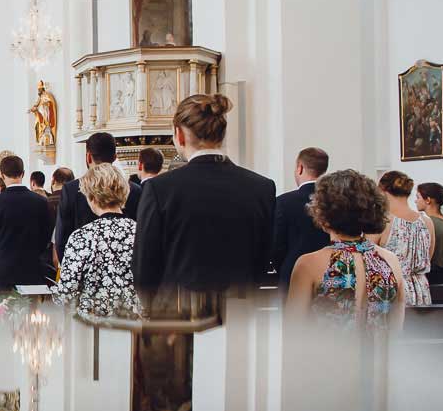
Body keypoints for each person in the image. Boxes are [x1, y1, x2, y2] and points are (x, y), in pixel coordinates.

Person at [132, 95, 275, 294]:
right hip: (239, 314)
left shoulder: (160, 189)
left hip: (179, 316)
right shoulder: (262, 187)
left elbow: (144, 270)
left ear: (179, 135)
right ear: (221, 134)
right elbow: (262, 261)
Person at [287, 170, 404, 328]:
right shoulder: (391, 261)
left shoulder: (308, 264)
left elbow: (293, 331)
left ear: (324, 214)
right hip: (377, 353)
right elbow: (395, 330)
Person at [54, 164, 141, 317]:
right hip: (134, 322)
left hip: (94, 325)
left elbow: (66, 294)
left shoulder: (82, 237)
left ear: (92, 197)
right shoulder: (141, 233)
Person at [55, 132, 143, 262]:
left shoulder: (72, 190)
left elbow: (62, 238)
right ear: (115, 157)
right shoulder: (134, 189)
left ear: (89, 157)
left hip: (82, 265)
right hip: (127, 268)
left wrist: (71, 267)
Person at [0, 154, 56, 288]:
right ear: (23, 173)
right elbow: (46, 235)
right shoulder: (41, 202)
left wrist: (0, 254)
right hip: (31, 267)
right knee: (31, 308)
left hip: (3, 269)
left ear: (2, 176)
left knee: (1, 308)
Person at [272, 147, 331, 288]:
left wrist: (284, 268)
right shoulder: (334, 201)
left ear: (300, 168)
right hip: (330, 273)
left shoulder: (283, 202)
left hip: (293, 274)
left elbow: (276, 245)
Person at [376, 170, 434, 306]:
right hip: (421, 289)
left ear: (382, 191)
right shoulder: (427, 221)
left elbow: (367, 261)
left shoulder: (381, 221)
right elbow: (428, 257)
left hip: (391, 289)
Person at [415, 182, 443, 284]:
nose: (415, 201)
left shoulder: (427, 223)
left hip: (434, 277)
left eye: (418, 197)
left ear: (428, 200)